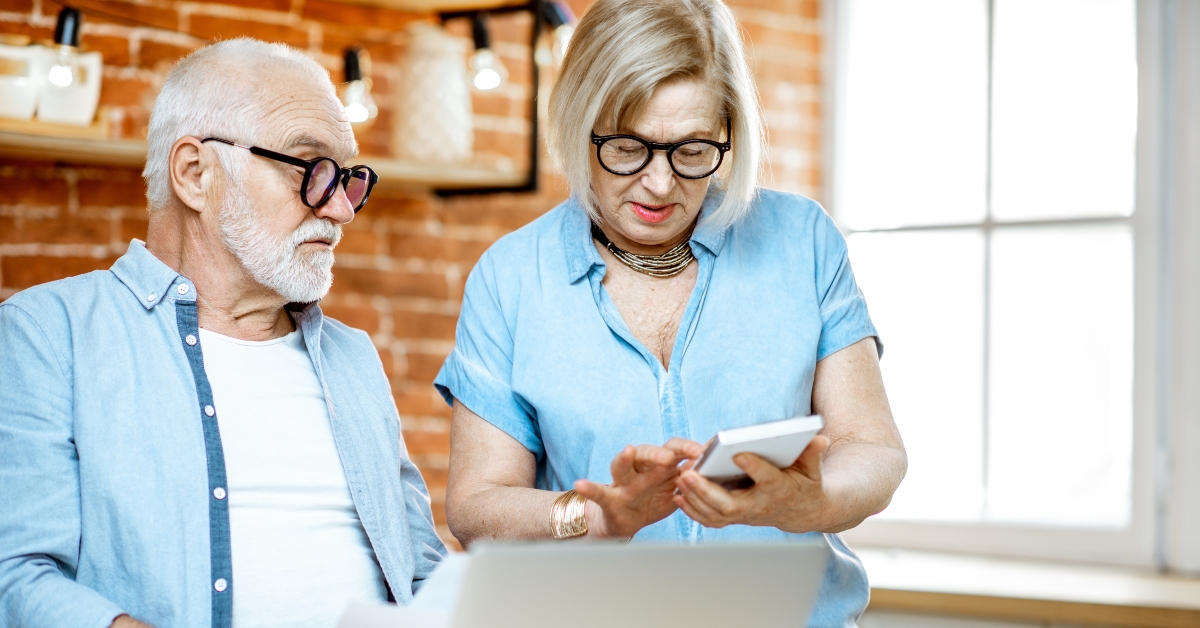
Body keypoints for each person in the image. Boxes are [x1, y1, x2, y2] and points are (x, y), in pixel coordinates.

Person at [435, 0, 906, 625]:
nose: (659, 185)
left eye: (691, 151)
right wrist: (598, 519)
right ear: (580, 122)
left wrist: (807, 503)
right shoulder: (512, 277)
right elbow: (475, 508)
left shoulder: (802, 242)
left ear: (728, 133)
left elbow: (872, 449)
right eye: (628, 147)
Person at [0, 39, 445, 628]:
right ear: (194, 173)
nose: (339, 209)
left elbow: (421, 570)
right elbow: (17, 578)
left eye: (349, 178)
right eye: (312, 170)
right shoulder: (46, 336)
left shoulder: (352, 357)